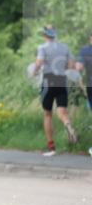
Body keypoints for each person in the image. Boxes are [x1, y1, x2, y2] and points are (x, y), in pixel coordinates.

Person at [34, 25, 78, 156]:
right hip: (61, 80)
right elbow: (71, 65)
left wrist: (34, 71)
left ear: (45, 35)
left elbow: (39, 62)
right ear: (55, 34)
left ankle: (51, 146)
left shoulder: (42, 48)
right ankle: (68, 125)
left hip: (48, 81)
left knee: (47, 114)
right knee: (62, 111)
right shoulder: (64, 47)